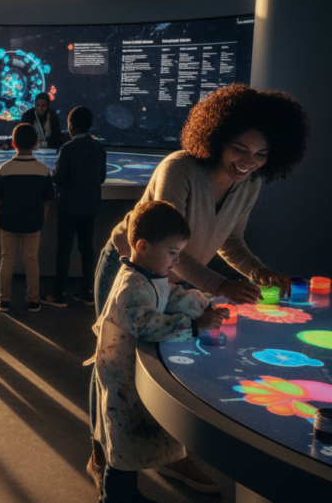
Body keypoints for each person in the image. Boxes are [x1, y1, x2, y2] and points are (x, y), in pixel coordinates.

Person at [88, 84, 309, 492]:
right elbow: (172, 247)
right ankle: (104, 454)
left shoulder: (250, 184)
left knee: (170, 362)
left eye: (261, 155)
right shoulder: (180, 169)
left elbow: (231, 241)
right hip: (132, 271)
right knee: (113, 365)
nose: (247, 163)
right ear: (218, 136)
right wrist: (220, 284)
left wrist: (259, 273)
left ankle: (171, 455)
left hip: (176, 280)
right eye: (240, 149)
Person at [91, 200, 229, 502]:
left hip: (130, 372)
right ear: (142, 246)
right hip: (121, 379)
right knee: (124, 440)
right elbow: (146, 323)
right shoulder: (132, 285)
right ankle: (116, 497)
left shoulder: (148, 275)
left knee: (130, 439)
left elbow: (168, 295)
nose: (176, 261)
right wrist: (196, 326)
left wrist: (200, 304)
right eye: (172, 253)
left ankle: (125, 494)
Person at [43, 106, 107, 308]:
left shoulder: (67, 149)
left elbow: (59, 178)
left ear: (70, 126)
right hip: (91, 206)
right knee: (87, 248)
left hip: (68, 206)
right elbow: (102, 177)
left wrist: (49, 174)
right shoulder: (99, 148)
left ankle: (59, 292)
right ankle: (88, 291)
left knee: (64, 249)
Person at [0, 124, 53, 312]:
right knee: (31, 260)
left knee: (7, 259)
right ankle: (33, 300)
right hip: (33, 223)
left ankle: (4, 300)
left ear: (13, 143)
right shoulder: (42, 170)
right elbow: (47, 200)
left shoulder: (4, 169)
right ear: (35, 143)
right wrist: (42, 219)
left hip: (8, 222)